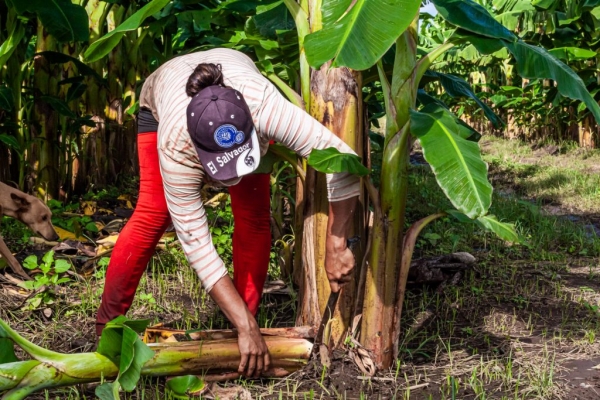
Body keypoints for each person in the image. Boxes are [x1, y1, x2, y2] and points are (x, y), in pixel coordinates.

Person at [96, 48, 360, 378]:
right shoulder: (175, 144)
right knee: (154, 212)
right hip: (163, 93)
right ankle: (106, 329)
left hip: (236, 80)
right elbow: (197, 245)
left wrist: (337, 243)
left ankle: (243, 330)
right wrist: (249, 327)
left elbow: (343, 161)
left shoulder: (264, 107)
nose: (233, 177)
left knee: (253, 216)